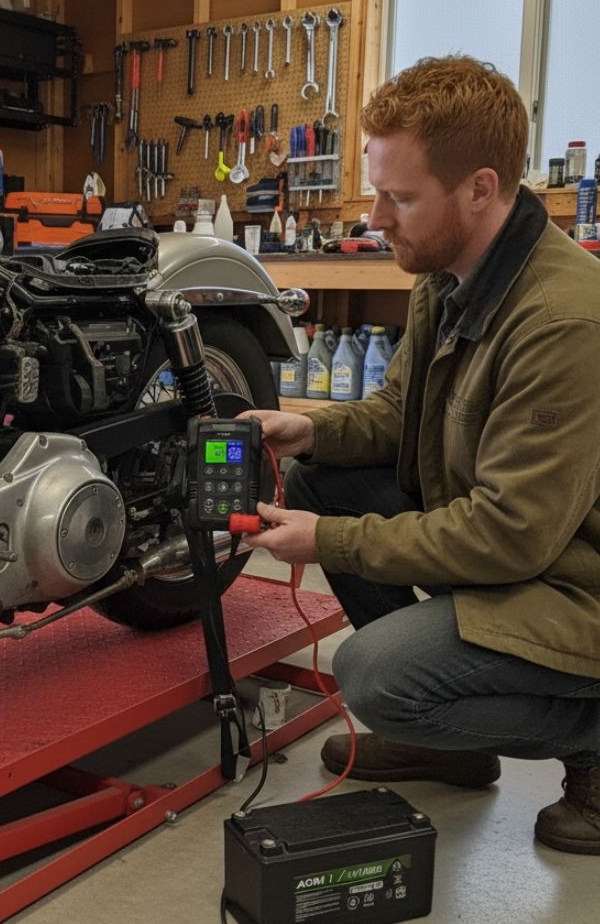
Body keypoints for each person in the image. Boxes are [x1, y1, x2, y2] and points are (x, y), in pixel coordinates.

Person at [240, 55, 600, 855]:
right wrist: (310, 429)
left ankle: (594, 740)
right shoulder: (449, 276)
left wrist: (325, 543)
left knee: (374, 671)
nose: (377, 217)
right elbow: (404, 414)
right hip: (529, 551)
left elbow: (510, 534)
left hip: (577, 583)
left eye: (399, 198)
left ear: (479, 189)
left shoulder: (563, 321)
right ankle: (452, 744)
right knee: (321, 480)